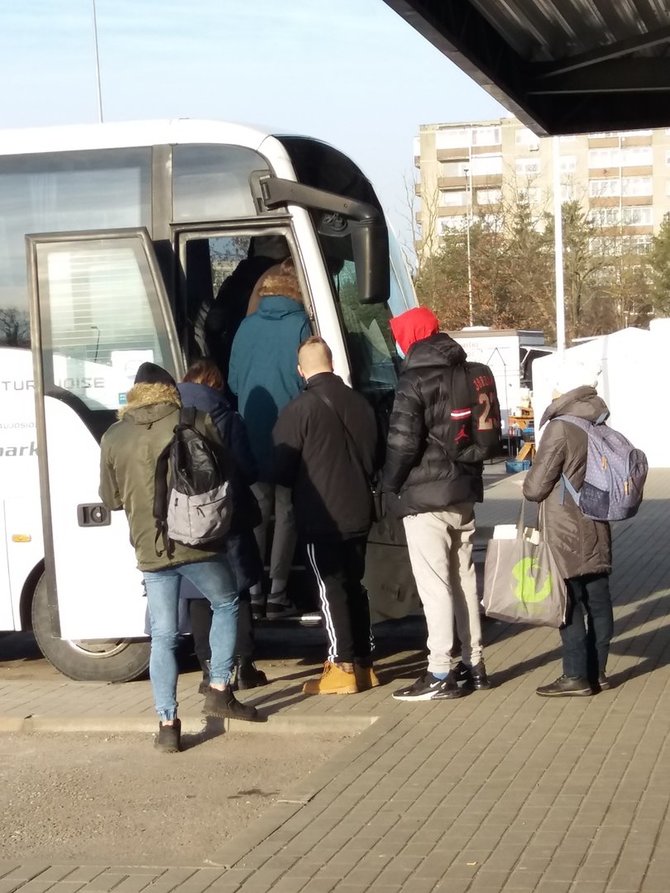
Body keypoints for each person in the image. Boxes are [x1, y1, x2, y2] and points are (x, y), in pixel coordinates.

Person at [99, 362, 260, 754]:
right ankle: (220, 687)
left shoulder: (114, 436)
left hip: (150, 549)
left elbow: (111, 500)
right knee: (225, 602)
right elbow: (224, 473)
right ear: (171, 390)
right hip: (197, 541)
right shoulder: (196, 419)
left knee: (164, 637)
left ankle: (168, 724)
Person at [382, 307, 490, 702]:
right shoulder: (469, 370)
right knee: (464, 580)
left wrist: (389, 485)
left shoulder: (413, 380)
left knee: (435, 585)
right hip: (463, 493)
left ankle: (440, 670)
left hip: (426, 499)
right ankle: (475, 664)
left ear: (409, 338)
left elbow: (402, 444)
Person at [273, 336, 380, 694]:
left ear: (300, 370)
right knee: (355, 586)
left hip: (322, 517)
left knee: (329, 589)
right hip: (360, 511)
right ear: (332, 363)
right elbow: (376, 456)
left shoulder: (299, 409)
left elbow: (280, 466)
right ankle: (365, 663)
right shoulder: (361, 403)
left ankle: (342, 666)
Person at [523, 365, 614, 697]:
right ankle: (599, 672)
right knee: (599, 602)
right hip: (597, 522)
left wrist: (528, 481)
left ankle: (575, 675)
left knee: (569, 603)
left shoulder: (560, 428)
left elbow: (535, 487)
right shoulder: (598, 420)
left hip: (565, 530)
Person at [177, 358, 267, 692]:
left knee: (199, 593)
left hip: (186, 518)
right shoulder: (227, 418)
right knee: (236, 589)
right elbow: (248, 468)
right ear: (215, 385)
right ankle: (244, 667)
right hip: (229, 516)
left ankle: (208, 668)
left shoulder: (171, 417)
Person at [228, 258, 311, 620]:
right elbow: (310, 377)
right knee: (287, 511)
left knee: (257, 512)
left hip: (252, 430)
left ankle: (256, 589)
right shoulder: (301, 325)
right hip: (290, 433)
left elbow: (232, 382)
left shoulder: (244, 327)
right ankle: (278, 592)